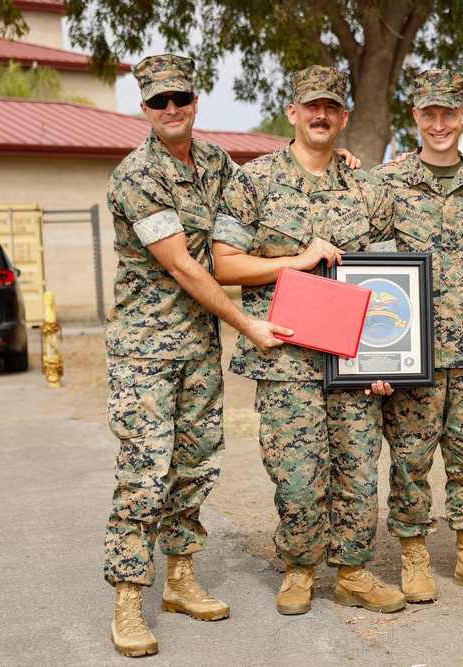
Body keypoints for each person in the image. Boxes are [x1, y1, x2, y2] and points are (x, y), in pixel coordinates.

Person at [104, 54, 290, 657]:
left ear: (193, 101)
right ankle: (129, 601)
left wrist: (331, 158)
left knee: (194, 465)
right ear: (144, 109)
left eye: (178, 97)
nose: (170, 109)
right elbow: (185, 265)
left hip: (197, 350)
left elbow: (266, 189)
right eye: (158, 101)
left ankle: (180, 578)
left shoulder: (216, 163)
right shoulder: (137, 174)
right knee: (145, 473)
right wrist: (249, 327)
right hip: (145, 353)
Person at [213, 65, 405, 616]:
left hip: (352, 361)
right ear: (292, 113)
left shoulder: (367, 190)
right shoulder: (253, 181)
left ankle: (353, 572)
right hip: (286, 358)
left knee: (359, 470)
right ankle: (299, 569)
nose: (320, 115)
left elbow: (391, 279)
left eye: (331, 107)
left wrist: (389, 353)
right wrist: (295, 262)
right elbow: (224, 264)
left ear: (343, 117)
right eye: (310, 106)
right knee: (297, 477)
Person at [372, 69, 463, 602]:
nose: (439, 124)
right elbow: (364, 270)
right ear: (415, 117)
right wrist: (374, 357)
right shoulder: (382, 185)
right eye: (428, 114)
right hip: (414, 355)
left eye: (448, 113)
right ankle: (413, 554)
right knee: (411, 457)